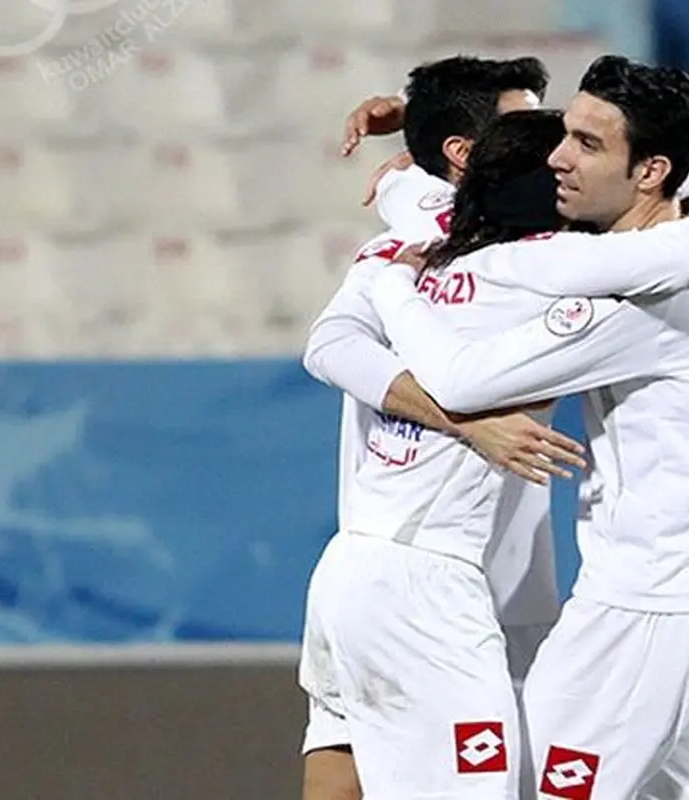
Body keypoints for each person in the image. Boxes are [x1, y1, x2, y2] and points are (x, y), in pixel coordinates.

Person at [369, 57, 689, 799]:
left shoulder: (634, 305)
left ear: (650, 171)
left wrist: (391, 284)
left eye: (586, 143)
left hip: (641, 613)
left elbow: (459, 379)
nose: (557, 157)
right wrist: (411, 138)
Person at [297, 55, 581, 800]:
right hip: (429, 572)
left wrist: (407, 147)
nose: (561, 152)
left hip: (467, 572)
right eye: (529, 129)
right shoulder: (451, 250)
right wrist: (466, 422)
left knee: (346, 757)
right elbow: (328, 347)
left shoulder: (424, 225)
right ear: (466, 152)